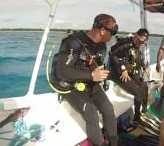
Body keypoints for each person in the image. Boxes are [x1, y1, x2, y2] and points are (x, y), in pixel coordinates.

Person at [55, 14, 119, 146]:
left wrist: (100, 73)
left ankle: (114, 142)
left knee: (108, 108)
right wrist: (91, 76)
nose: (113, 35)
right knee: (91, 112)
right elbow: (62, 71)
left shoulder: (102, 46)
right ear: (102, 30)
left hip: (90, 84)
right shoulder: (73, 42)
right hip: (71, 86)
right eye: (112, 31)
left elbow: (95, 66)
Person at [108, 29, 150, 122]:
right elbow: (113, 56)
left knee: (145, 86)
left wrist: (144, 66)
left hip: (131, 73)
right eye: (140, 40)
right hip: (120, 73)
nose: (140, 43)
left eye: (143, 42)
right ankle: (136, 118)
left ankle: (144, 109)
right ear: (136, 35)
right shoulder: (125, 45)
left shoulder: (137, 46)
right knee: (138, 92)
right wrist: (123, 69)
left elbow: (137, 58)